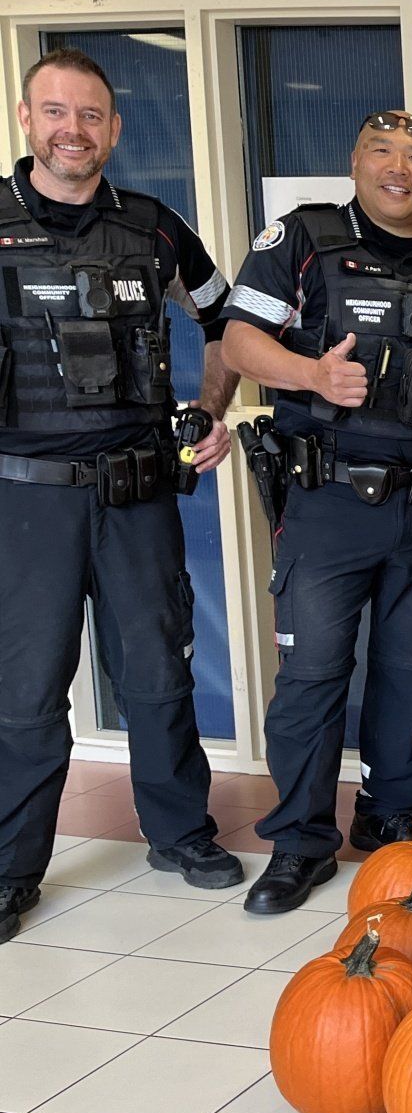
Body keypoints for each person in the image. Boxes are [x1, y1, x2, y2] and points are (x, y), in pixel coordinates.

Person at [223, 110, 412, 914]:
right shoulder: (303, 240)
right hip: (326, 502)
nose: (399, 168)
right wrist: (312, 376)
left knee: (411, 672)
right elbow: (240, 341)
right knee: (312, 676)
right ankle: (301, 843)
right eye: (382, 153)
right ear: (355, 164)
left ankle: (390, 818)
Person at [0, 49, 240, 941]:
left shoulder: (155, 228)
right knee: (25, 693)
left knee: (158, 674)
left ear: (115, 128)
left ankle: (180, 834)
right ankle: (12, 869)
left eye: (92, 115)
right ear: (28, 119)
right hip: (25, 501)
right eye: (57, 113)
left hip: (137, 490)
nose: (75, 130)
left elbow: (230, 322)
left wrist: (210, 408)